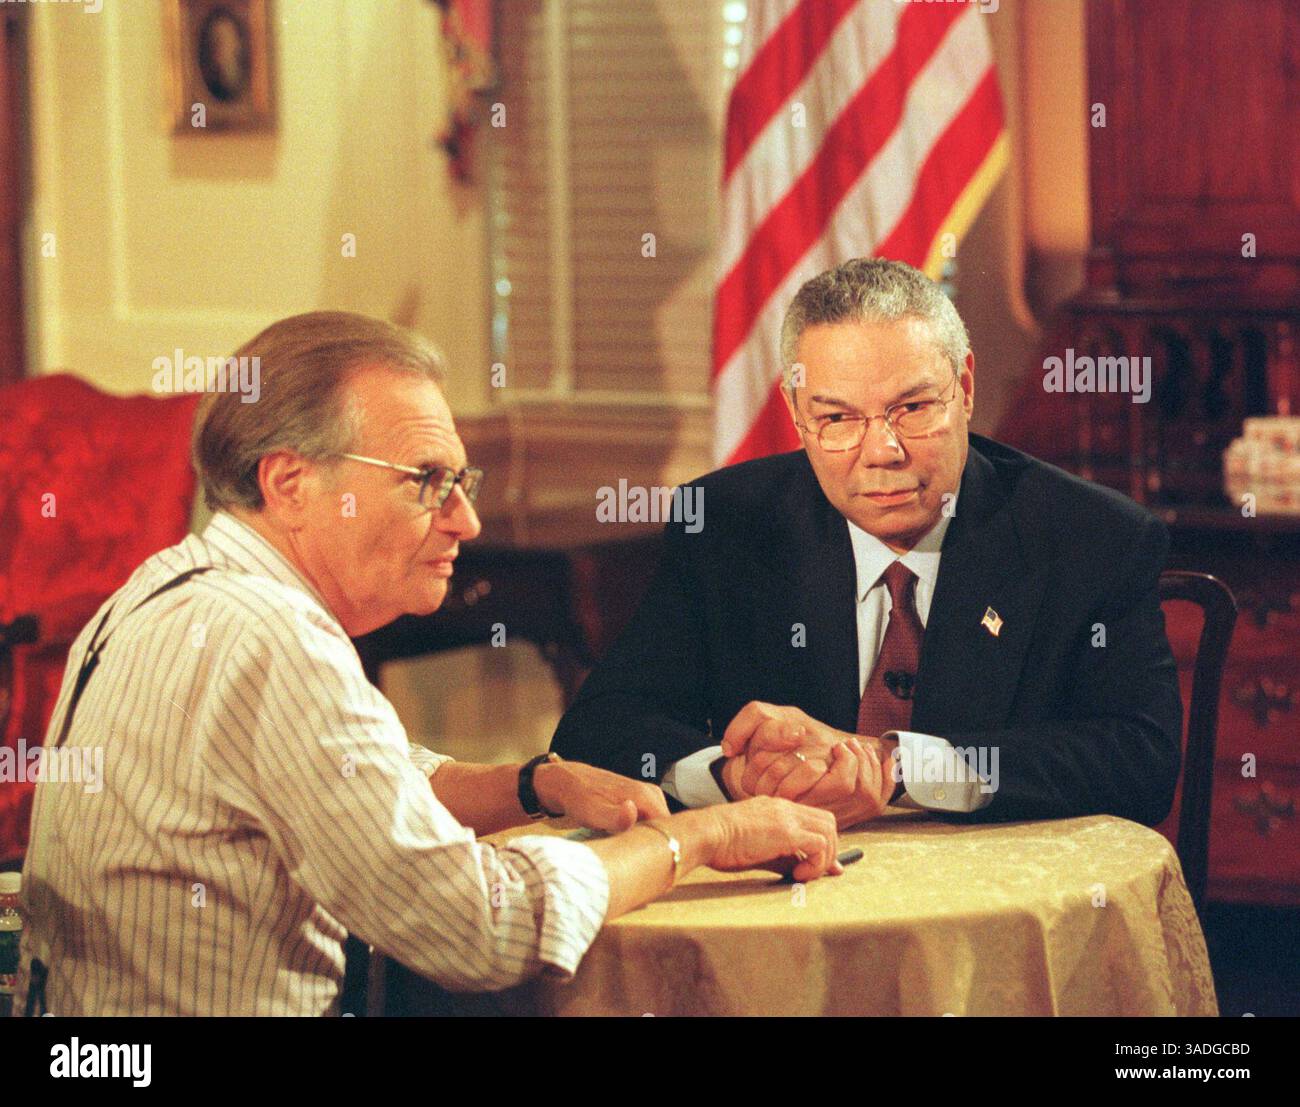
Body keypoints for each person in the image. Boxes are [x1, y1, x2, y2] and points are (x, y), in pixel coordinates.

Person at [14, 311, 840, 1016]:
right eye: (428, 480)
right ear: (291, 482)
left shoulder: (166, 586)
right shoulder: (273, 641)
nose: (467, 519)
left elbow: (360, 779)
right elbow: (481, 929)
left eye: (462, 479)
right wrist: (707, 833)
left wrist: (534, 782)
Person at [552, 258, 1182, 830]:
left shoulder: (1088, 537)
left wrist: (894, 767)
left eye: (912, 408)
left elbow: (1139, 757)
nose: (882, 452)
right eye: (837, 419)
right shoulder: (724, 524)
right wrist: (730, 776)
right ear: (797, 415)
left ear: (964, 389)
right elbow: (600, 729)